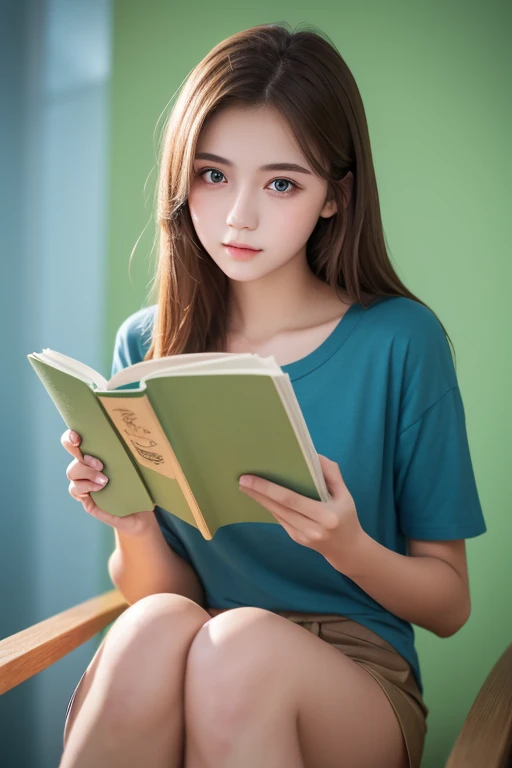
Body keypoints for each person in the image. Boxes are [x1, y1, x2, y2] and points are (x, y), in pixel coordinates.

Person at [58, 22, 486, 768]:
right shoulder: (147, 347)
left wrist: (348, 546)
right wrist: (131, 524)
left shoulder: (399, 342)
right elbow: (167, 592)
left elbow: (450, 605)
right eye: (213, 175)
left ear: (334, 197)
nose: (237, 216)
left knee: (235, 650)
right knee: (153, 624)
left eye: (281, 182)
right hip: (197, 645)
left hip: (353, 676)